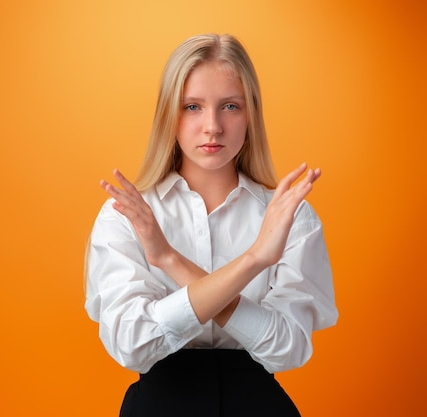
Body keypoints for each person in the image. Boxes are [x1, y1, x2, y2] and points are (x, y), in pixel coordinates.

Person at [84, 33, 338, 417]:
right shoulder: (126, 214)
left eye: (230, 106)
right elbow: (132, 344)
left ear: (250, 113)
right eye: (192, 106)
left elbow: (287, 349)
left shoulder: (290, 216)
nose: (212, 126)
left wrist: (170, 260)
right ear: (169, 113)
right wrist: (252, 260)